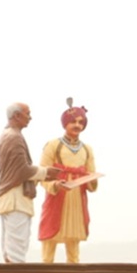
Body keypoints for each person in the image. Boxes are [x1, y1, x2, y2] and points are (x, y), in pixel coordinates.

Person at [0, 102, 60, 263]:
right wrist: (45, 172)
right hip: (16, 198)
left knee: (12, 245)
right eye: (27, 113)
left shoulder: (9, 135)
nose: (30, 117)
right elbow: (21, 170)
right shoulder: (13, 137)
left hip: (11, 197)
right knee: (17, 247)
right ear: (17, 115)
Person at [39, 100, 98, 264]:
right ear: (65, 123)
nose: (77, 125)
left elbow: (91, 175)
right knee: (50, 236)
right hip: (58, 196)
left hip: (77, 198)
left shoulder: (87, 149)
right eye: (73, 121)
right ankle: (45, 269)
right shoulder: (53, 145)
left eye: (81, 122)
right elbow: (42, 173)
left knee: (74, 238)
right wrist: (54, 185)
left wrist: (92, 181)